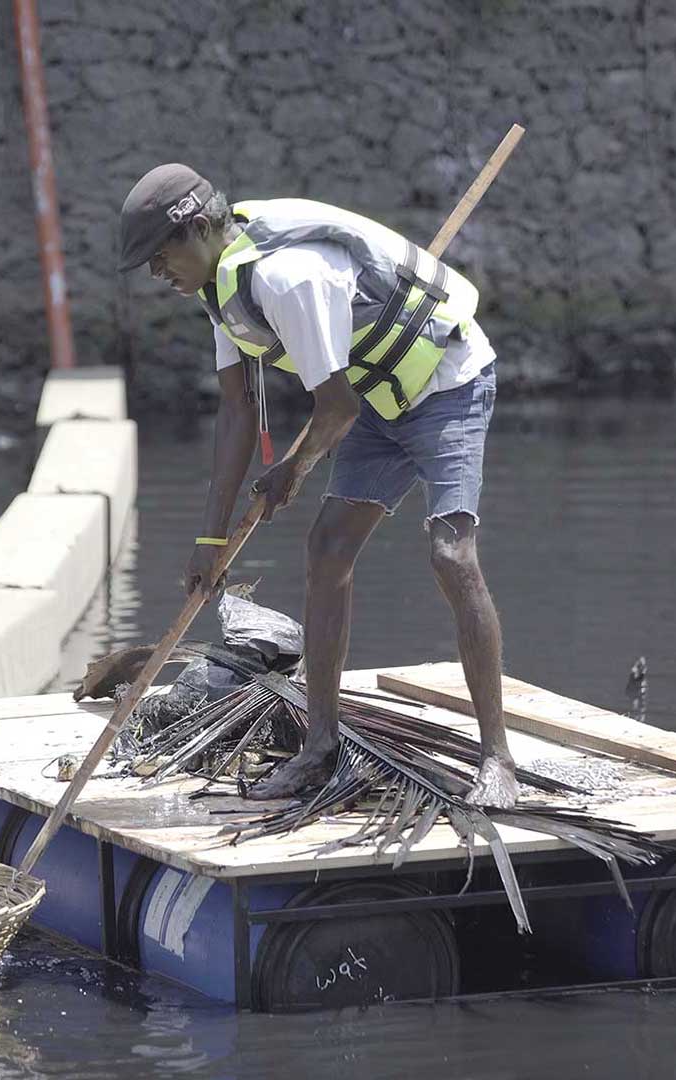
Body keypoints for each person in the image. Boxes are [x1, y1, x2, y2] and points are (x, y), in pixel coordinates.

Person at [116, 163, 518, 807]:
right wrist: (211, 538)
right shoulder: (221, 292)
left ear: (195, 230)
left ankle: (496, 756)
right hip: (377, 399)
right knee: (326, 551)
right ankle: (321, 747)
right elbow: (238, 410)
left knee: (451, 556)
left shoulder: (285, 276)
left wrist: (293, 470)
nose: (158, 275)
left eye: (160, 258)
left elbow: (335, 410)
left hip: (449, 386)